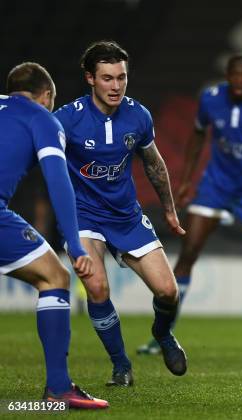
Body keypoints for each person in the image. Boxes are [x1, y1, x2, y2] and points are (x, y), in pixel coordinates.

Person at [137, 53, 242, 357]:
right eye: (234, 75)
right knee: (187, 254)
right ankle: (164, 334)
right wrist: (186, 181)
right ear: (227, 76)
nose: (239, 80)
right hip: (215, 187)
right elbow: (198, 136)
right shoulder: (210, 100)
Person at [53, 41, 187, 387]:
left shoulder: (138, 115)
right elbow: (41, 159)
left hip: (126, 215)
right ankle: (121, 365)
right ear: (90, 79)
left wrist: (170, 210)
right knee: (97, 288)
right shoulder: (67, 119)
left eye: (121, 78)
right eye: (108, 78)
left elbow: (154, 164)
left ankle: (162, 334)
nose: (116, 86)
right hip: (83, 215)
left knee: (168, 292)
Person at [0, 62, 107, 408]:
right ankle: (59, 388)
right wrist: (75, 245)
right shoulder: (42, 118)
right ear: (46, 96)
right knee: (55, 277)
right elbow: (59, 183)